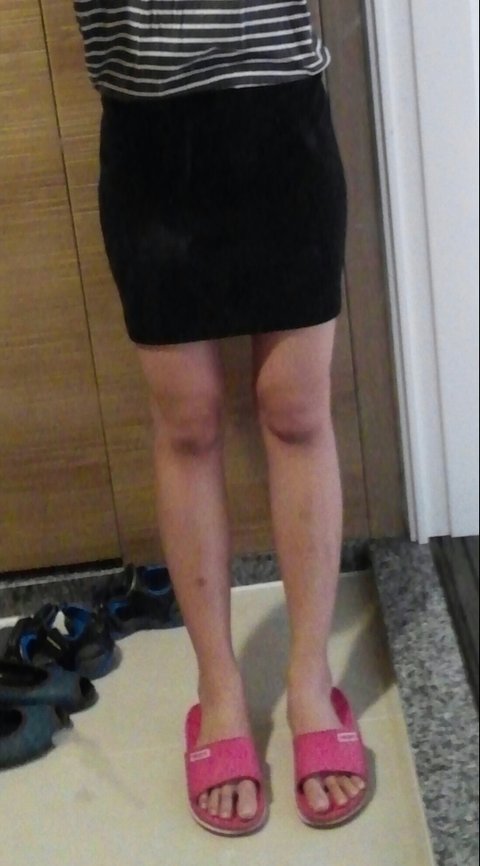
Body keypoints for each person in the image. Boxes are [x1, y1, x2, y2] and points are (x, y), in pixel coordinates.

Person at [74, 0, 369, 836]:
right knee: (189, 423)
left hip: (282, 115)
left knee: (297, 410)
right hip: (149, 133)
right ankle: (220, 690)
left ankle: (310, 681)